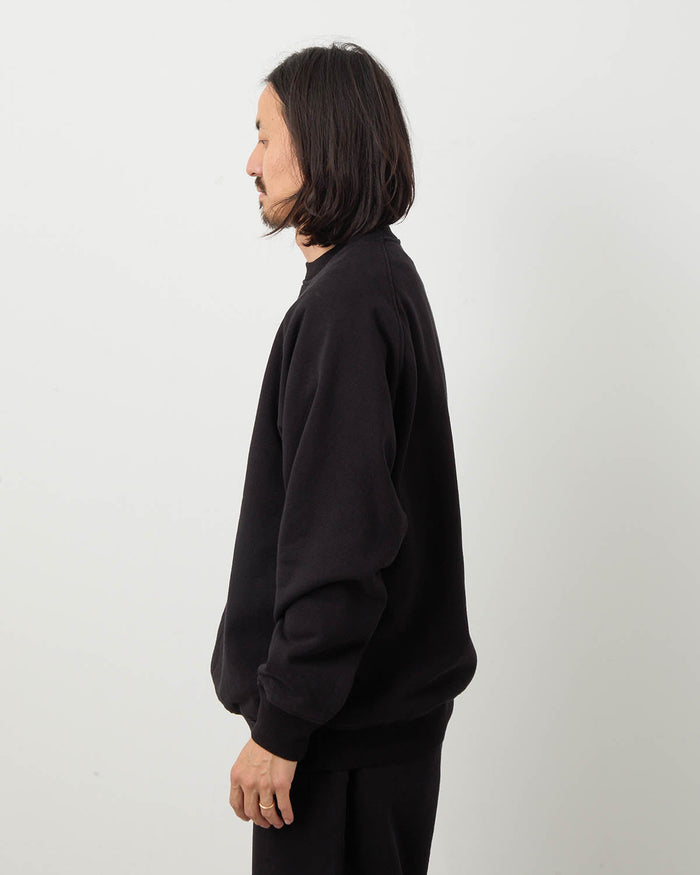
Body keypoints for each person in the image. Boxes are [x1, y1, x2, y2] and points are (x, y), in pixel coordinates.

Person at [210, 41, 478, 875]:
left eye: (265, 135)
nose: (250, 161)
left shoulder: (350, 306)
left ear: (320, 143)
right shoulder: (372, 282)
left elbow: (343, 542)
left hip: (340, 744)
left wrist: (283, 724)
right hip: (359, 733)